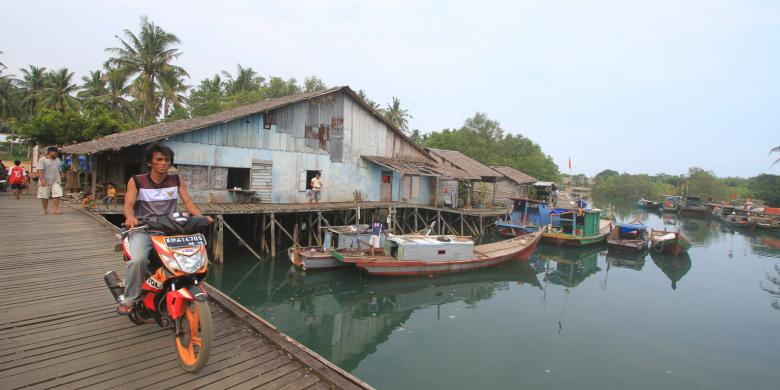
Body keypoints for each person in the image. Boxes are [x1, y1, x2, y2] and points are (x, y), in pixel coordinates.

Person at [118, 143, 212, 315]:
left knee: (189, 258)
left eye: (167, 160)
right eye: (159, 159)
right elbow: (128, 205)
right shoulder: (137, 180)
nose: (163, 163)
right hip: (144, 229)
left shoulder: (176, 180)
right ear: (149, 163)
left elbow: (189, 203)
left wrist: (200, 217)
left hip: (170, 229)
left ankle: (180, 289)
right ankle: (130, 299)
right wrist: (130, 217)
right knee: (138, 260)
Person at [37, 146, 63, 215]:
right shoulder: (42, 159)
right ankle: (44, 210)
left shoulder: (58, 160)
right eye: (55, 152)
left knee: (58, 194)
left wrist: (61, 178)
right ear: (49, 152)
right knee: (44, 195)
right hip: (45, 180)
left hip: (56, 180)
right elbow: (40, 170)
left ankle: (55, 209)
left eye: (57, 152)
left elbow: (59, 170)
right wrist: (42, 180)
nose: (56, 153)